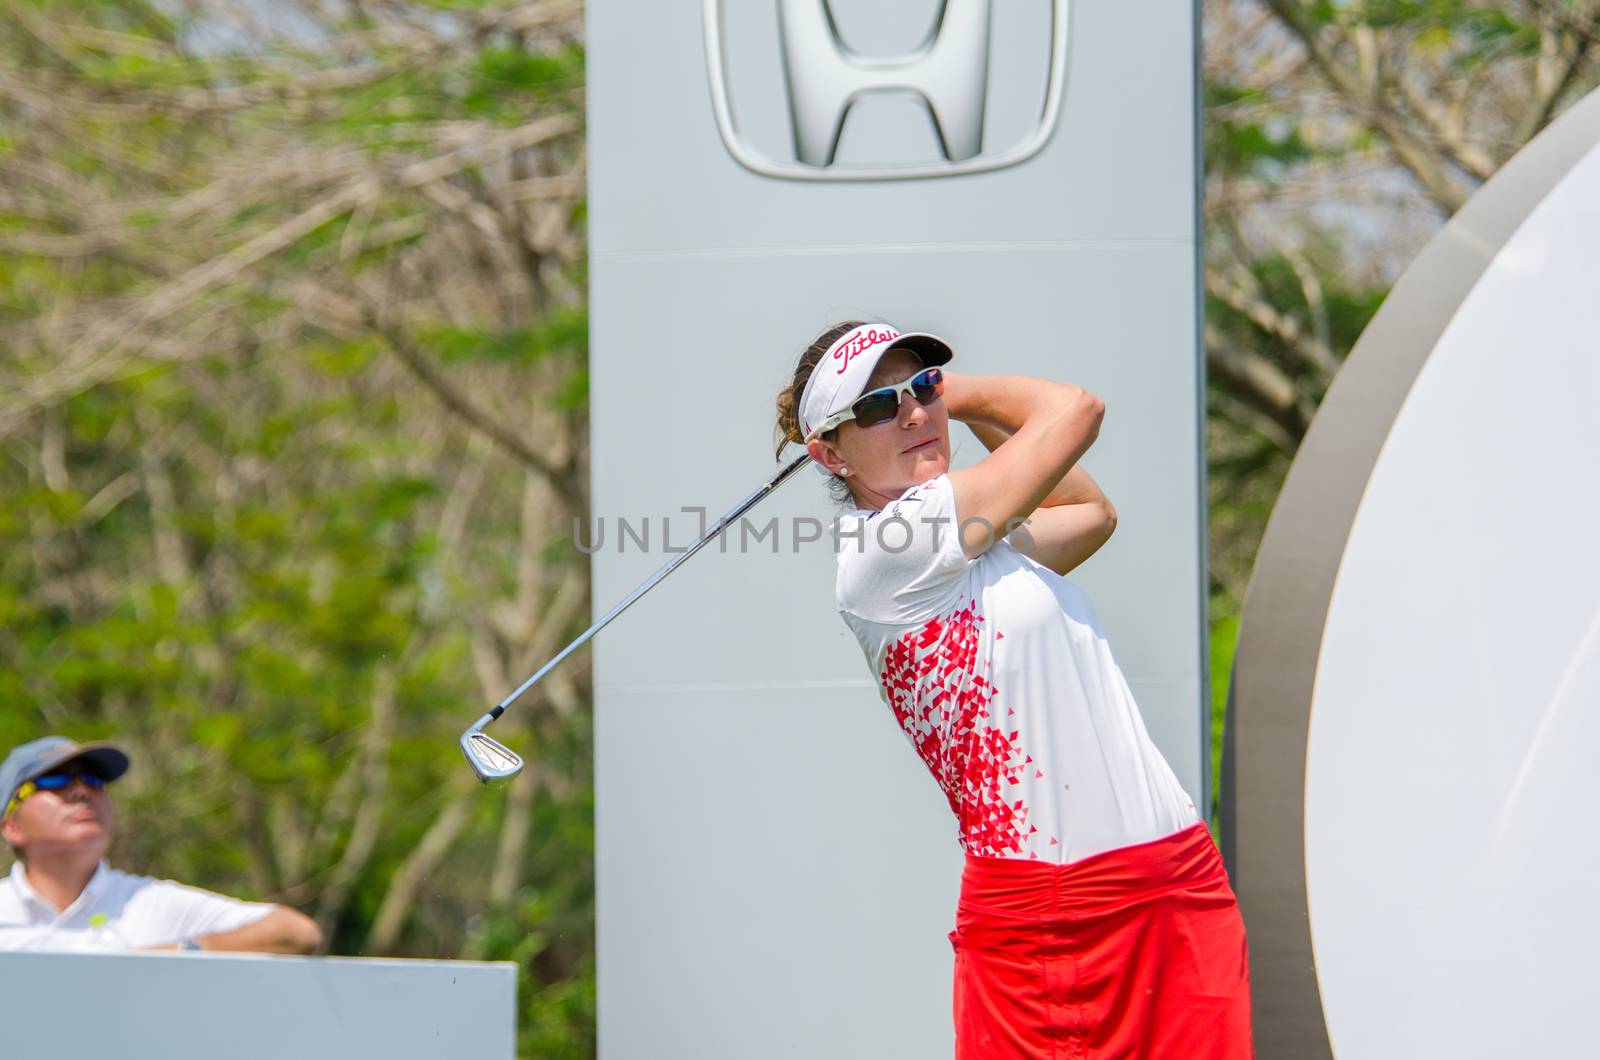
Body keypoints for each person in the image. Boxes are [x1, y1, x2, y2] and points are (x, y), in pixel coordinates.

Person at [775, 321, 1252, 1058]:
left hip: (1175, 885)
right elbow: (1076, 410)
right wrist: (954, 394)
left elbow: (1090, 514)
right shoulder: (886, 552)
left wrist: (932, 403)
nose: (912, 414)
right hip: (1049, 923)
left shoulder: (984, 549)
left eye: (921, 387)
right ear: (829, 454)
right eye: (877, 408)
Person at [0, 735, 323, 955]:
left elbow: (296, 932)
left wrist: (181, 952)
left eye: (94, 780)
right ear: (11, 825)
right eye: (56, 781)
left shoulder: (149, 902)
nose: (82, 791)